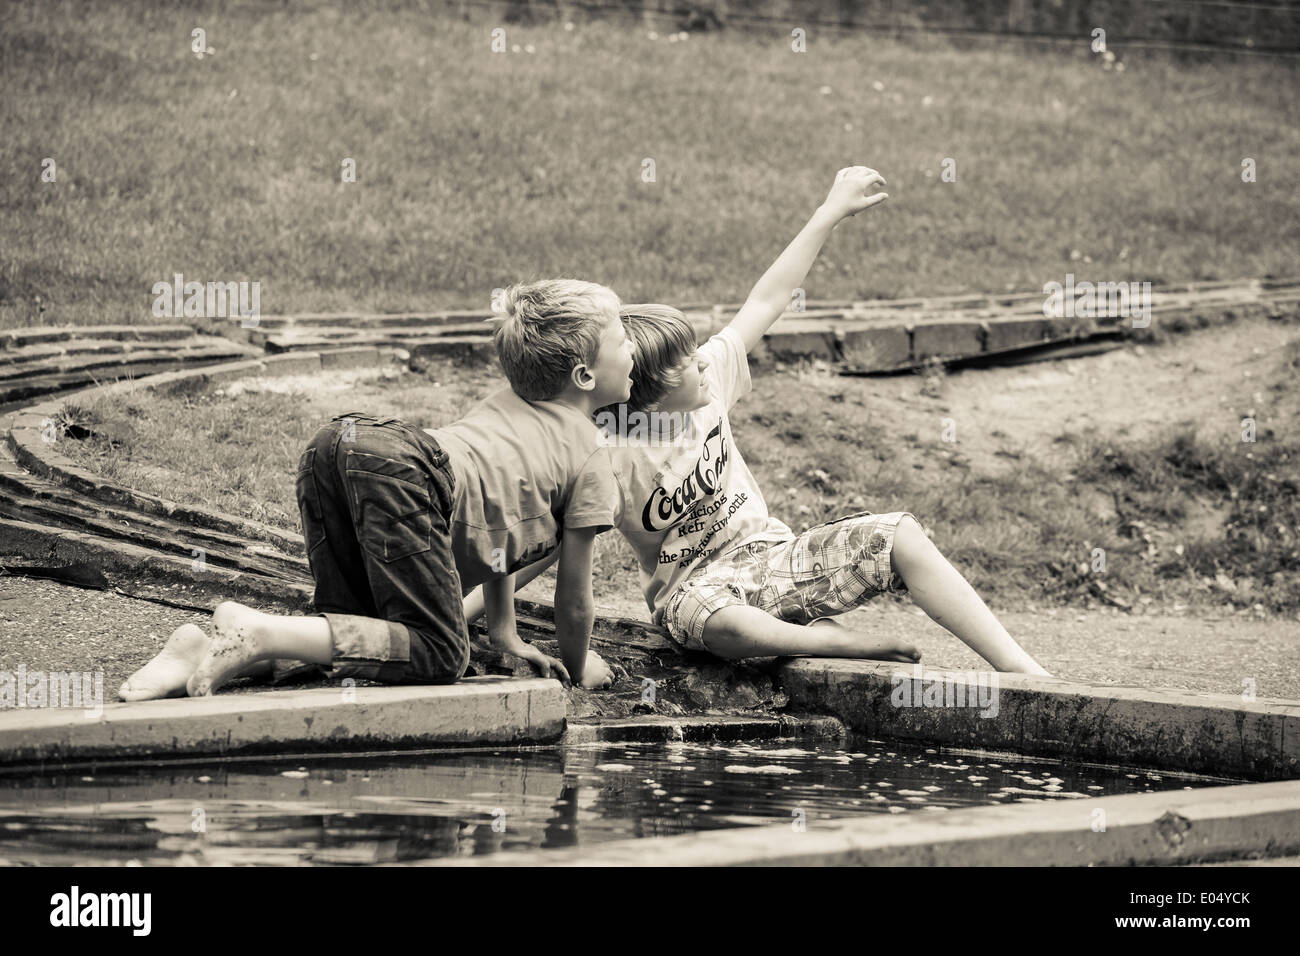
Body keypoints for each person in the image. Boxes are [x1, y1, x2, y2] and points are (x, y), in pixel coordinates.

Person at [597, 167, 1051, 675]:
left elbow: (767, 298)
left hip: (771, 560)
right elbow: (547, 544)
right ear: (648, 391)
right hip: (693, 595)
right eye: (684, 360)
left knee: (898, 534)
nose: (703, 358)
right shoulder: (610, 456)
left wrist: (829, 212)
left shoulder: (710, 381)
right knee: (722, 622)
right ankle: (836, 644)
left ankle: (1023, 670)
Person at [119, 278, 631, 700]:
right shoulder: (590, 454)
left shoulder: (510, 404)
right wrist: (579, 665)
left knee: (363, 638)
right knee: (439, 652)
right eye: (622, 338)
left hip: (340, 446)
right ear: (584, 374)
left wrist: (504, 634)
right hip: (408, 472)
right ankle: (257, 631)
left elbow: (501, 535)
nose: (633, 347)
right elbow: (575, 599)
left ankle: (198, 650)